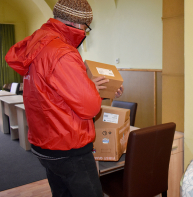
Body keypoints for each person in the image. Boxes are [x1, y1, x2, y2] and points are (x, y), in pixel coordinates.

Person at [5, 0, 122, 196]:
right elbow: (91, 108)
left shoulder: (39, 44)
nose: (85, 32)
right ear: (77, 24)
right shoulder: (62, 52)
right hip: (68, 145)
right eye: (86, 27)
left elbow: (55, 93)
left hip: (45, 142)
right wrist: (93, 89)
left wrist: (90, 84)